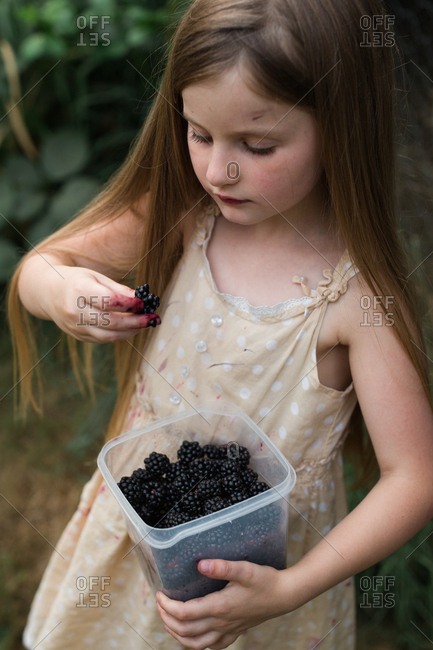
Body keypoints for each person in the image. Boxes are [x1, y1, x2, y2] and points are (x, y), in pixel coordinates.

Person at [8, 0, 433, 648]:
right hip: (135, 544)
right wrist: (62, 291)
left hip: (261, 584)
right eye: (198, 132)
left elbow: (415, 477)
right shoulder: (185, 215)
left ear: (341, 127)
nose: (216, 170)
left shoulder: (355, 300)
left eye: (256, 145)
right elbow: (39, 268)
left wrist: (289, 589)